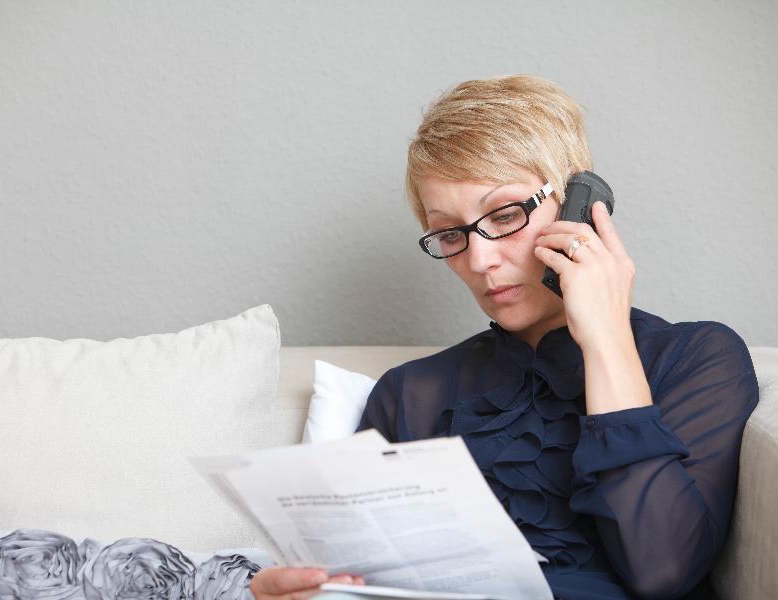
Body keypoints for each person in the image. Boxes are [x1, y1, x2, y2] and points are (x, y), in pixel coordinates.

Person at [250, 75, 759, 600]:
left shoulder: (697, 357)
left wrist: (605, 339)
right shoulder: (411, 393)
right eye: (450, 233)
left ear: (578, 207)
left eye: (505, 214)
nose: (479, 259)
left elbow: (663, 570)